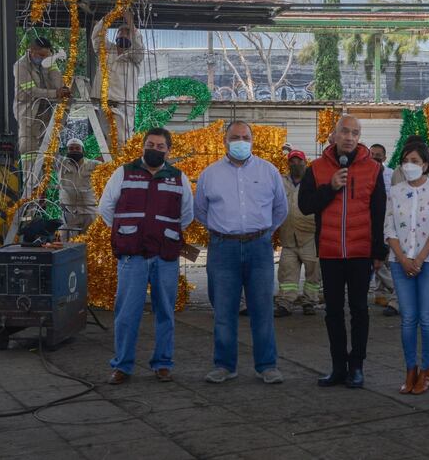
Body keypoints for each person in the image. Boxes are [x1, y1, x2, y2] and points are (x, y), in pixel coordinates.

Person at [195, 121, 288, 385]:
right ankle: (224, 365)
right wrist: (224, 230)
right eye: (235, 137)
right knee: (224, 311)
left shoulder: (268, 171)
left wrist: (264, 233)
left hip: (259, 247)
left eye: (245, 137)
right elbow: (200, 211)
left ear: (252, 140)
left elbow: (280, 209)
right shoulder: (210, 174)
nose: (240, 141)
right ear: (224, 142)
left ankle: (267, 365)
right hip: (222, 249)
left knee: (262, 309)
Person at [98, 127, 194, 385]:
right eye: (150, 144)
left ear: (168, 150)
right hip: (133, 257)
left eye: (160, 146)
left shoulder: (178, 177)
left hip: (165, 256)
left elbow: (187, 214)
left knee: (165, 311)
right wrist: (126, 233)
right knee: (127, 313)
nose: (155, 149)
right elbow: (106, 208)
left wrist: (163, 233)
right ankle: (123, 366)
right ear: (143, 146)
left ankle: (163, 363)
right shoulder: (124, 173)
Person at [298, 114, 387, 389]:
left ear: (359, 137)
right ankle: (338, 367)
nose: (349, 137)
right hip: (330, 251)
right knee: (333, 311)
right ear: (334, 135)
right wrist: (331, 187)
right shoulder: (316, 168)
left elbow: (379, 212)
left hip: (361, 253)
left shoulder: (374, 169)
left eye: (355, 133)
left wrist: (377, 252)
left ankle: (357, 367)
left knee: (360, 310)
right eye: (344, 132)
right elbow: (305, 205)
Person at [384, 141, 429, 395]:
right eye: (405, 161)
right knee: (408, 318)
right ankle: (410, 369)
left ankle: (427, 369)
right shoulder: (396, 191)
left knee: (427, 318)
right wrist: (402, 258)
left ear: (425, 164)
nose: (409, 165)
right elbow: (389, 227)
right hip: (400, 261)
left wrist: (419, 259)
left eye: (415, 161)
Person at [13, 37, 71, 183]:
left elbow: (57, 80)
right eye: (42, 56)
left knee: (51, 147)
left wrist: (62, 88)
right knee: (29, 149)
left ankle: (50, 186)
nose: (45, 58)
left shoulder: (49, 61)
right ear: (32, 52)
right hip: (28, 113)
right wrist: (54, 93)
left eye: (47, 55)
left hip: (47, 111)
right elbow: (31, 91)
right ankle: (30, 190)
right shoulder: (20, 66)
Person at [274, 149, 321, 317]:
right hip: (288, 237)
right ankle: (285, 303)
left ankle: (309, 302)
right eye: (292, 161)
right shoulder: (281, 181)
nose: (296, 164)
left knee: (313, 272)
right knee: (287, 272)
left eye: (299, 161)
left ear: (305, 162)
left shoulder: (313, 181)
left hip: (310, 236)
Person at [91, 10, 144, 150]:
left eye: (128, 33)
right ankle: (110, 170)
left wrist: (130, 22)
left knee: (121, 142)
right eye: (121, 32)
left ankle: (119, 170)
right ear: (116, 36)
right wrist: (111, 15)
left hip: (122, 106)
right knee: (106, 142)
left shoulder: (134, 57)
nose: (124, 35)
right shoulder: (107, 50)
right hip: (103, 104)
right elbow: (97, 36)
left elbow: (139, 46)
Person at [369, 143, 399, 317]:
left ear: (384, 158)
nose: (375, 157)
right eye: (372, 154)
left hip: (389, 223)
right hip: (371, 223)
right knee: (376, 259)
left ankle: (393, 292)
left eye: (378, 155)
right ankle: (384, 294)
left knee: (386, 260)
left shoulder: (392, 175)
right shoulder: (365, 174)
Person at [57, 138, 101, 240]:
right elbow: (51, 152)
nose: (74, 150)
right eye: (71, 148)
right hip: (69, 213)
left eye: (77, 148)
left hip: (90, 212)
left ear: (83, 150)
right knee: (66, 244)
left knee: (91, 244)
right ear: (67, 151)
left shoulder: (94, 164)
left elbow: (110, 167)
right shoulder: (60, 164)